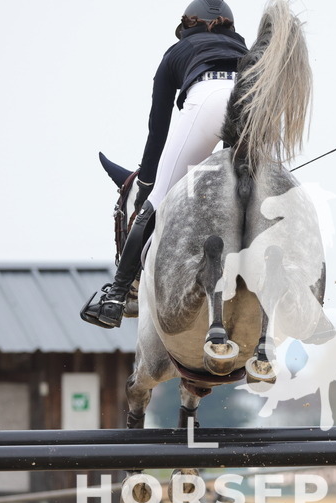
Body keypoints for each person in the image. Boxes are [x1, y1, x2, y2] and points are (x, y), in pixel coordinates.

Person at [82, 0, 248, 329]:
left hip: (208, 101)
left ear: (187, 27)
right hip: (253, 104)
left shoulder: (177, 52)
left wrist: (146, 183)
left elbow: (157, 130)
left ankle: (116, 296)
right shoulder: (245, 49)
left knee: (156, 201)